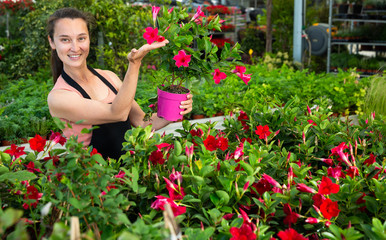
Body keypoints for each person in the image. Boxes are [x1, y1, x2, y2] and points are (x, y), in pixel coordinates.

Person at [46, 8, 193, 159]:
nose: (75, 47)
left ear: (89, 39)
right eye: (65, 40)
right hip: (95, 178)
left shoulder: (109, 77)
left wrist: (176, 109)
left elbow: (142, 122)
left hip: (129, 174)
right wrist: (134, 64)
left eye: (81, 38)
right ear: (52, 42)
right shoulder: (59, 97)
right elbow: (117, 113)